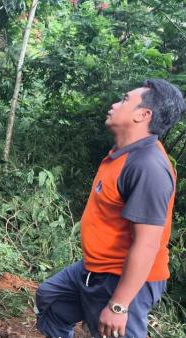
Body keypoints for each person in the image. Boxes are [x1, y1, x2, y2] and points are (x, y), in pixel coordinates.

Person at [36, 79, 185, 338]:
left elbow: (147, 244)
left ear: (143, 114)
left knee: (110, 331)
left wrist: (119, 305)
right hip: (96, 267)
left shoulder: (147, 167)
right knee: (52, 299)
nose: (115, 104)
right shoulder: (122, 153)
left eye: (125, 100)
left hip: (123, 278)